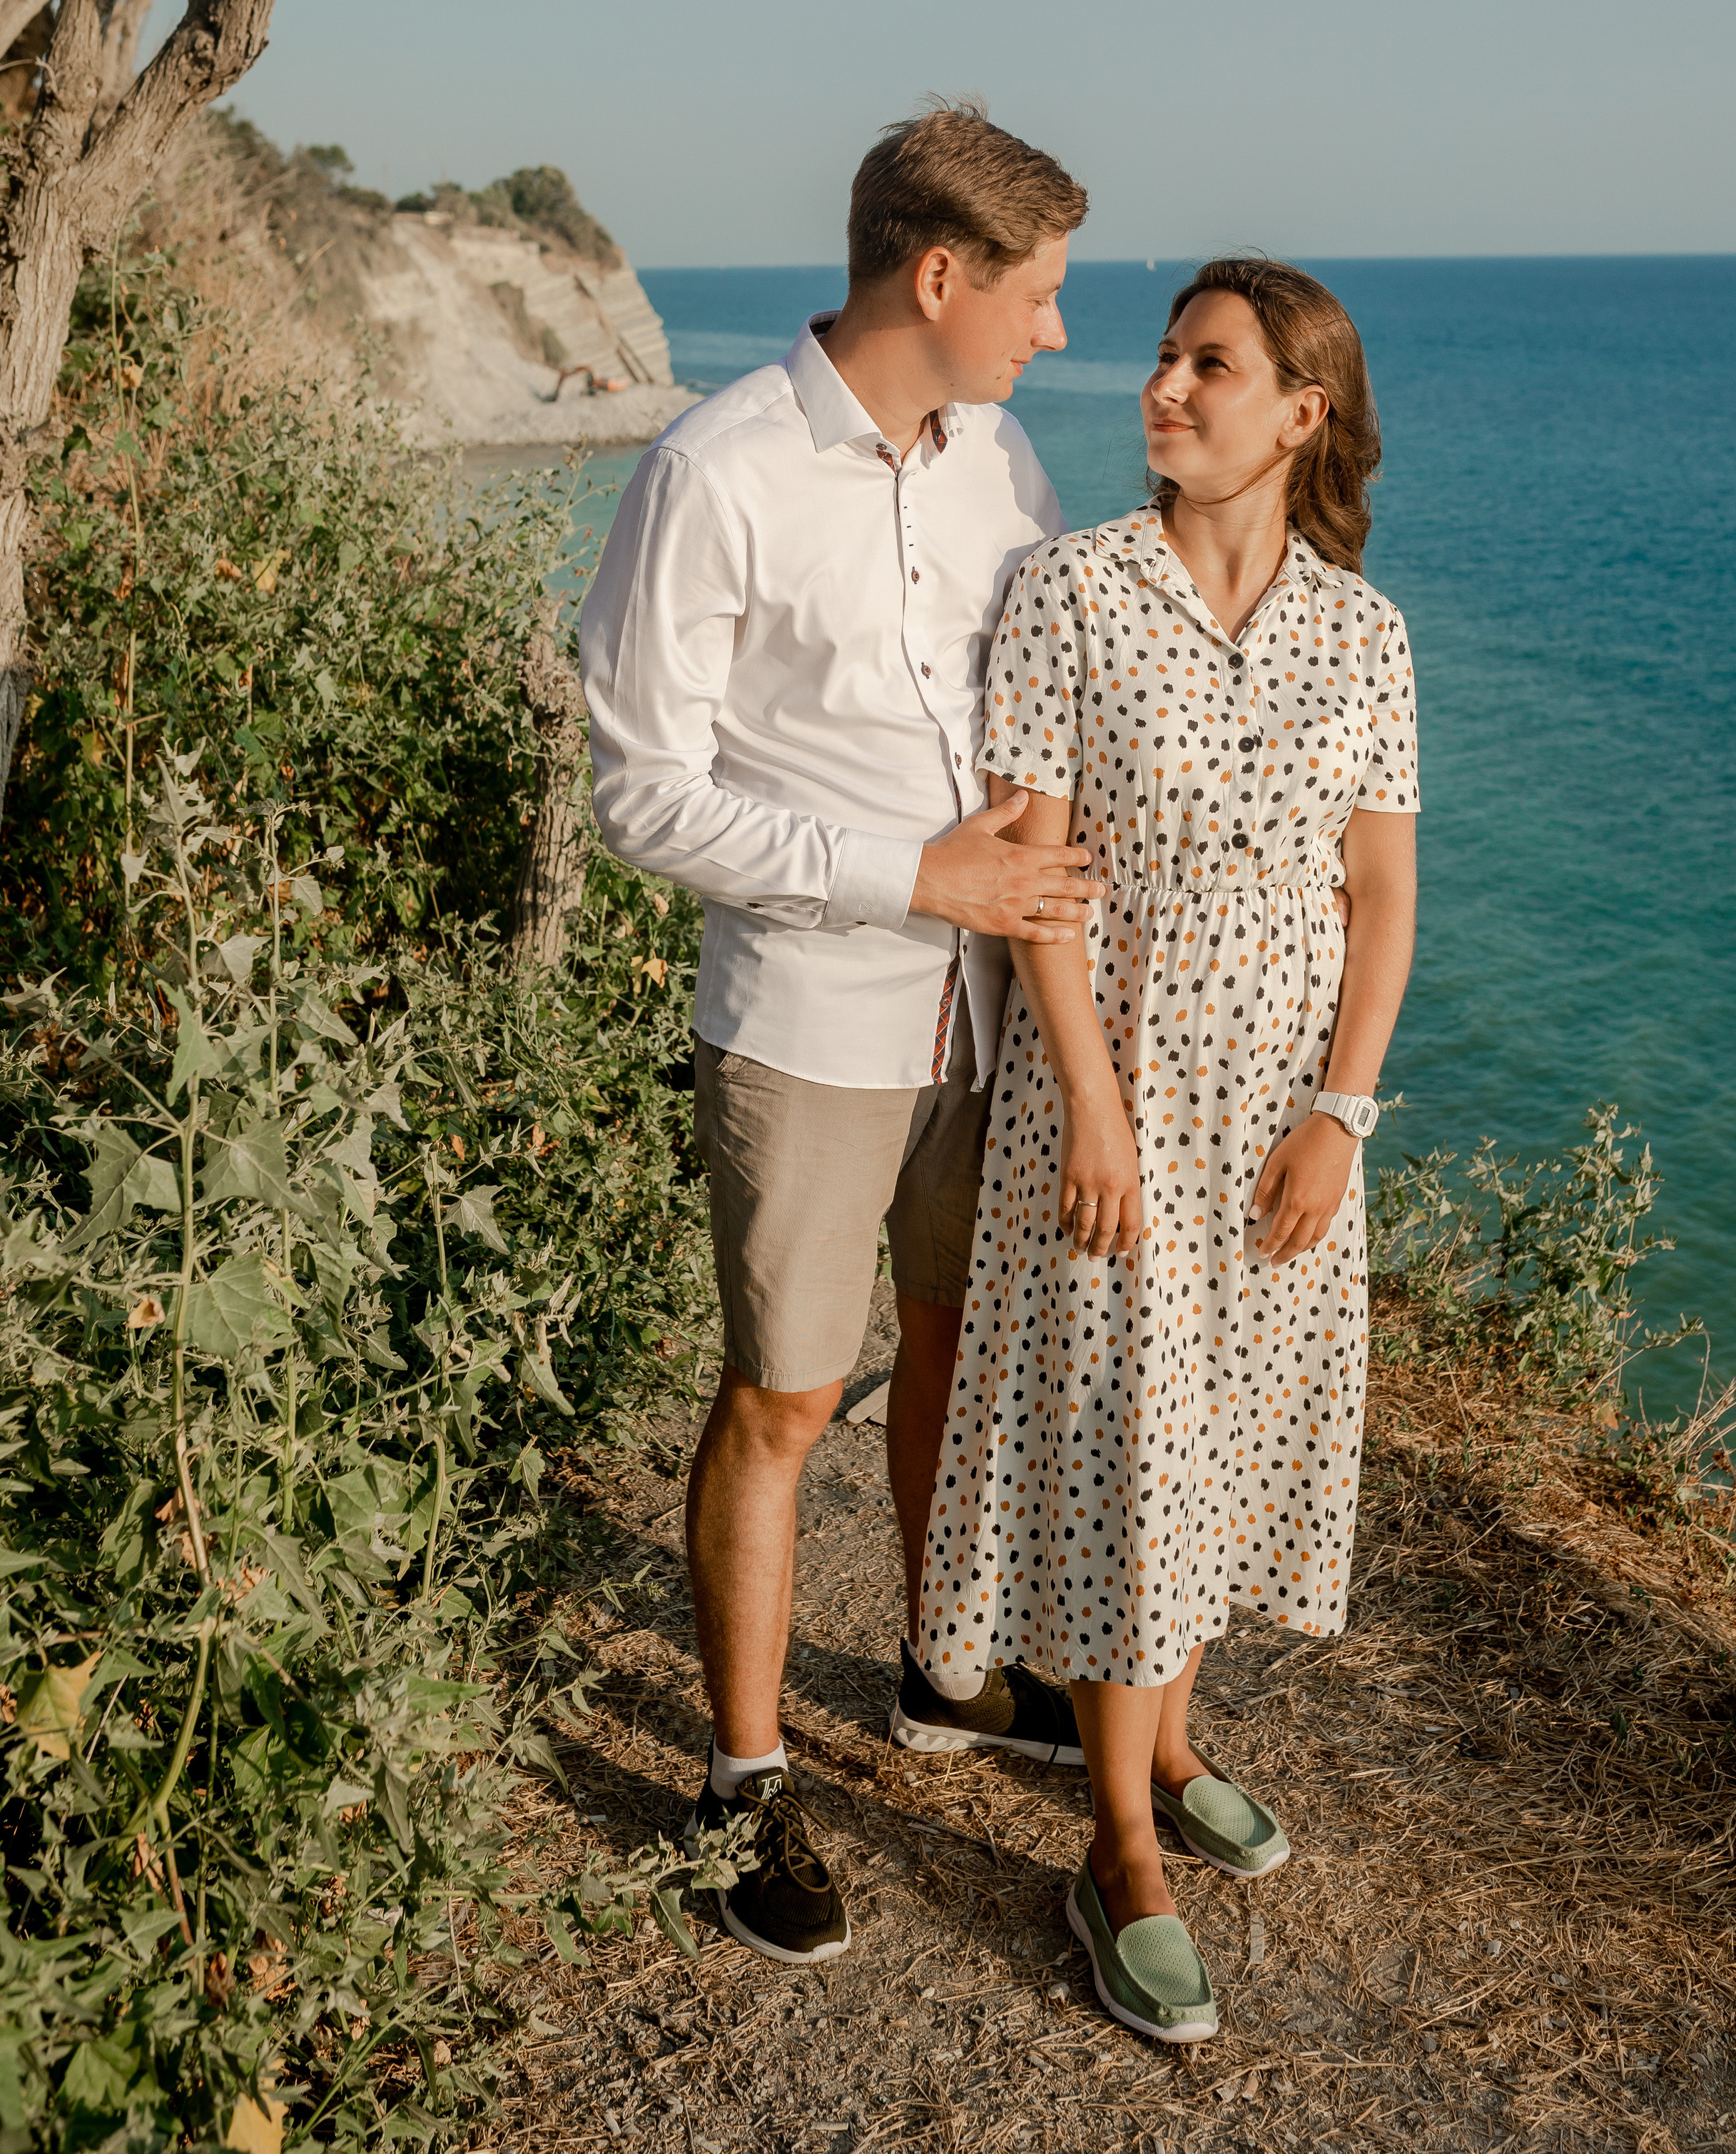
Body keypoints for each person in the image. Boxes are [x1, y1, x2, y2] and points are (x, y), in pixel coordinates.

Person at [578, 103, 1100, 1967]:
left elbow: (1049, 694)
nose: (1055, 329)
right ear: (938, 276)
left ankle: (941, 1671)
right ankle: (739, 1781)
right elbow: (639, 796)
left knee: (951, 1345)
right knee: (787, 1399)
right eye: (1035, 292)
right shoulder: (711, 472)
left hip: (988, 1016)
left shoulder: (1004, 459)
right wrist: (908, 875)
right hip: (808, 1019)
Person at [918, 256, 1418, 2042]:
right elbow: (1034, 878)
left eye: (1208, 364)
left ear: (1298, 413)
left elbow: (1380, 894)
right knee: (1128, 1444)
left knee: (1221, 1439)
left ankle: (1173, 1742)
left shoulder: (1363, 632)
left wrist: (1340, 1115)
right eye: (1160, 356)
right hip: (1113, 1107)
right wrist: (1092, 1106)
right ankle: (1115, 1846)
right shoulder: (1070, 590)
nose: (1162, 386)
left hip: (1282, 1121)